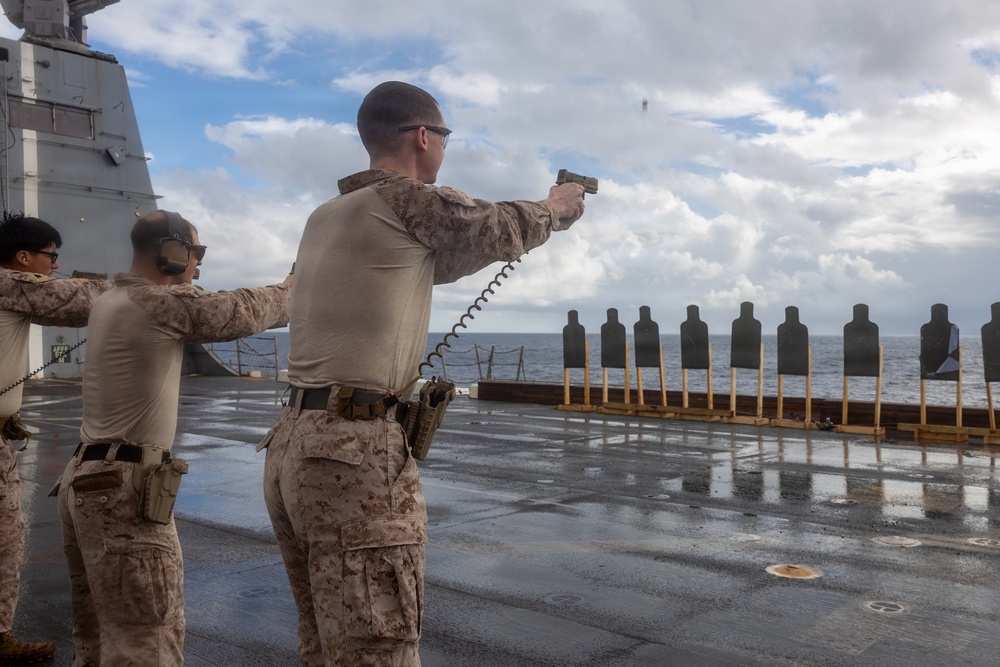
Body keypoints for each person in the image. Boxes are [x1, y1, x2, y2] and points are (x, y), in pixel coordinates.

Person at [260, 81, 586, 665]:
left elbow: (443, 259)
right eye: (444, 137)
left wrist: (522, 236)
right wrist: (555, 209)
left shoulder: (328, 215)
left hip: (294, 442)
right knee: (376, 643)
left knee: (325, 640)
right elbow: (492, 224)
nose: (443, 149)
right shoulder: (406, 199)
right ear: (422, 137)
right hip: (353, 452)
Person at [55, 210, 292, 666]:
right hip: (122, 488)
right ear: (172, 251)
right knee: (145, 638)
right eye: (196, 253)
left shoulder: (109, 297)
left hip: (85, 478)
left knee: (97, 635)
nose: (198, 265)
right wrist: (291, 290)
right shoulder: (156, 302)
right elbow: (235, 311)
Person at [0, 211, 110, 665]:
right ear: (23, 258)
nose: (54, 266)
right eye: (51, 257)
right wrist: (135, 286)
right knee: (5, 539)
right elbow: (84, 303)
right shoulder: (10, 282)